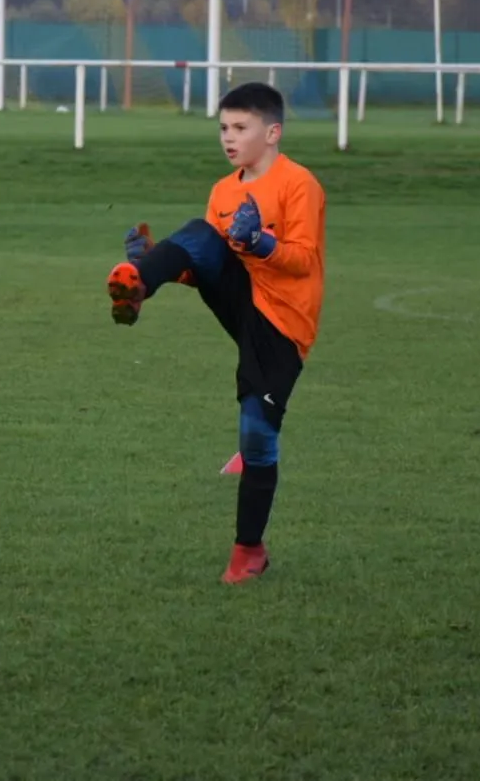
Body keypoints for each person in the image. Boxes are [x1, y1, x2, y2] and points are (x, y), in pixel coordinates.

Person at [105, 82, 326, 584]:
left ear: (272, 133)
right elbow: (206, 263)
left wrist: (260, 242)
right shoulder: (224, 191)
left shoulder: (299, 184)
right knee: (200, 234)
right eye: (224, 127)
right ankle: (139, 282)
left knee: (256, 435)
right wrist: (164, 263)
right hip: (242, 301)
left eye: (240, 128)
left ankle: (250, 550)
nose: (228, 137)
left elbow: (304, 260)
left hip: (283, 323)